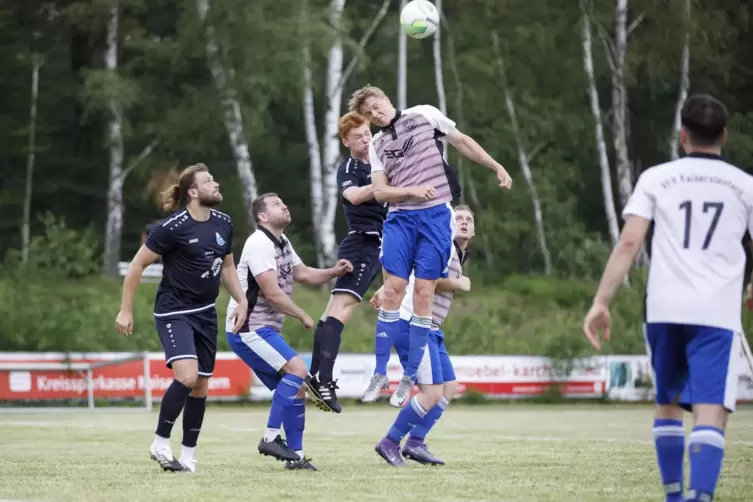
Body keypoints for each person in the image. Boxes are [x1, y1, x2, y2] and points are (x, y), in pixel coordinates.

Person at [583, 94, 751, 502]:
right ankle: (701, 496)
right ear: (724, 136)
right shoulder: (745, 184)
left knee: (668, 401)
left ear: (682, 136)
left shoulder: (657, 178)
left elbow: (629, 242)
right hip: (716, 312)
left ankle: (674, 495)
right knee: (712, 408)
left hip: (663, 308)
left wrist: (601, 301)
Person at [347, 84, 512, 408]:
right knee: (392, 290)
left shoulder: (424, 114)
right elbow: (380, 192)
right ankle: (380, 373)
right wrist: (410, 190)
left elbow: (462, 141)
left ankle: (409, 377)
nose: (374, 114)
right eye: (368, 114)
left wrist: (496, 165)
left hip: (436, 217)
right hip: (400, 220)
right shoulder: (378, 145)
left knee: (424, 292)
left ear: (387, 100)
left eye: (376, 106)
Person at [115, 163, 248, 473]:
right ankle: (160, 442)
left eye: (214, 179)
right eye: (208, 181)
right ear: (192, 192)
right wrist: (125, 309)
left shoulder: (224, 224)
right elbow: (137, 265)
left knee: (200, 386)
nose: (215, 184)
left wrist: (241, 300)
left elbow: (227, 268)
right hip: (174, 311)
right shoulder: (171, 227)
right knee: (186, 378)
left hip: (205, 313)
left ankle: (188, 457)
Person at [225, 193, 353, 471]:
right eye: (275, 204)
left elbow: (303, 274)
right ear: (261, 216)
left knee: (296, 391)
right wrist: (303, 315)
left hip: (264, 329)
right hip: (248, 327)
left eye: (284, 202)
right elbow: (271, 293)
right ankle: (270, 437)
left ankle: (295, 457)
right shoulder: (259, 242)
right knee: (298, 371)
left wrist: (334, 271)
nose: (284, 205)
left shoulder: (281, 242)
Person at [368, 205, 475, 466]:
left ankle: (415, 443)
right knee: (431, 393)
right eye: (457, 218)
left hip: (432, 329)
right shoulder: (441, 243)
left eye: (469, 220)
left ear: (473, 229)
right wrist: (460, 282)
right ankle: (390, 442)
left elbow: (412, 270)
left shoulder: (457, 252)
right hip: (412, 324)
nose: (463, 222)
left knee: (447, 388)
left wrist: (385, 288)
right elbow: (427, 278)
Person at [305, 112, 388, 414]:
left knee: (331, 312)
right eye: (357, 137)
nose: (365, 140)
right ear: (346, 142)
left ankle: (316, 375)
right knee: (343, 309)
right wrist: (382, 188)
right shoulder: (350, 168)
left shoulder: (380, 163)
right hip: (362, 243)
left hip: (377, 245)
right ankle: (322, 378)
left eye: (367, 134)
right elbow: (353, 196)